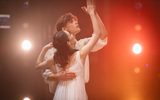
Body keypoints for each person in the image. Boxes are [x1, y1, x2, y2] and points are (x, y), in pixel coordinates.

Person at [37, 0, 108, 96]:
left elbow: (102, 35)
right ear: (64, 29)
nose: (76, 22)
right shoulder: (53, 50)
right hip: (60, 91)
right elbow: (45, 74)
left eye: (75, 20)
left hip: (78, 89)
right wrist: (57, 76)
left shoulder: (82, 44)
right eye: (71, 21)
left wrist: (94, 13)